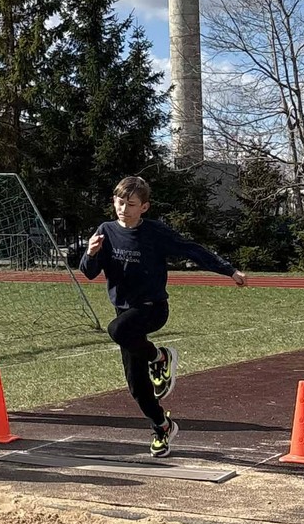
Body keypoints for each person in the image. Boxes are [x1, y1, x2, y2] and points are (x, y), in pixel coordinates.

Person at [73, 174, 247, 460]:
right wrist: (91, 254)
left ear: (144, 207)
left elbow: (192, 249)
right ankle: (162, 426)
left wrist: (228, 270)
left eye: (131, 204)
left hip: (152, 308)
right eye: (119, 202)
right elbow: (89, 273)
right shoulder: (106, 231)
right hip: (126, 315)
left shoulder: (155, 232)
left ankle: (160, 357)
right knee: (137, 386)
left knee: (116, 330)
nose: (123, 209)